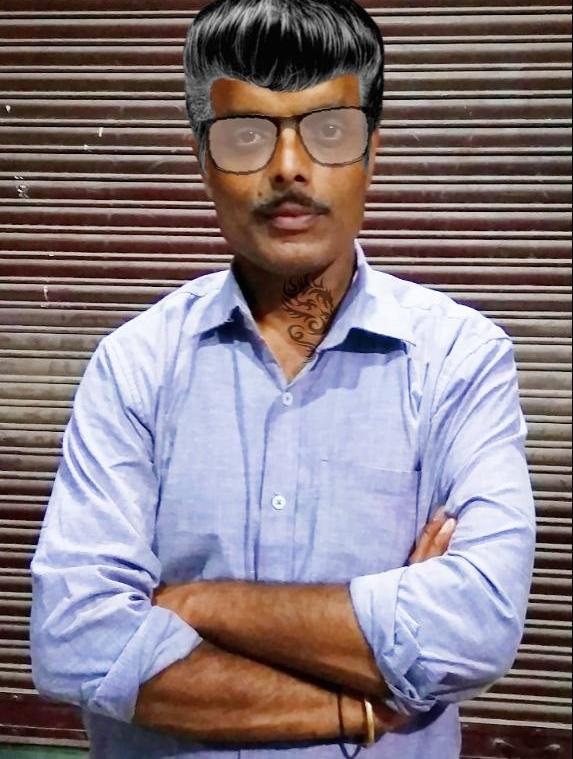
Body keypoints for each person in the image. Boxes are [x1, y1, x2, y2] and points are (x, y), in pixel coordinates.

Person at [30, 1, 536, 757]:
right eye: (245, 136)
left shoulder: (459, 358)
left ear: (372, 154)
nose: (289, 167)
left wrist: (197, 604)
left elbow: (475, 628)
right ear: (202, 160)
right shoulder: (135, 364)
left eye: (329, 132)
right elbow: (76, 641)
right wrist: (363, 706)